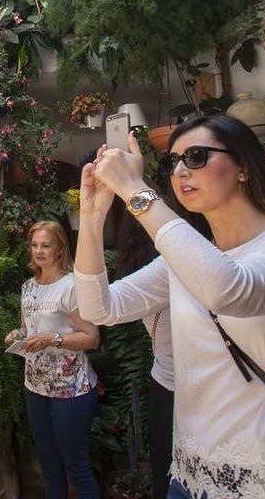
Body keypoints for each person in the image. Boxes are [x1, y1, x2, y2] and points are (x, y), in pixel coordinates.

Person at [75, 114, 265, 499]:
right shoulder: (184, 257)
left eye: (196, 156)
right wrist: (92, 217)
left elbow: (230, 290)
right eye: (173, 162)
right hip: (192, 474)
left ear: (244, 167)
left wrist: (136, 190)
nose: (181, 170)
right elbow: (101, 309)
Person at [4, 220, 100, 499]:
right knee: (48, 465)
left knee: (77, 467)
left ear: (60, 249)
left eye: (46, 245)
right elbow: (28, 327)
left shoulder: (72, 286)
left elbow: (91, 337)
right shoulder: (28, 287)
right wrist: (18, 333)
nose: (39, 251)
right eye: (34, 245)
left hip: (71, 390)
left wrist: (52, 339)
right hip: (36, 388)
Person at [109, 197, 174, 499]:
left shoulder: (141, 274)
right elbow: (101, 308)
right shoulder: (167, 271)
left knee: (167, 473)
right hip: (175, 387)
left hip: (165, 386)